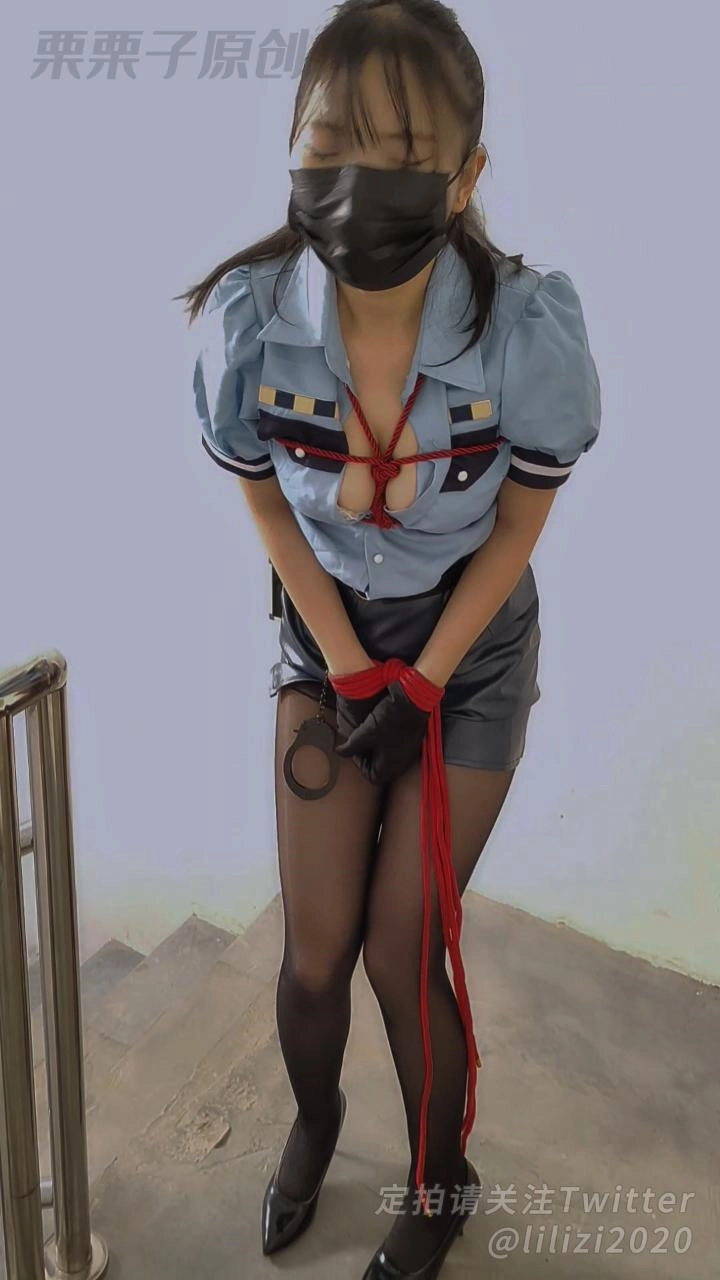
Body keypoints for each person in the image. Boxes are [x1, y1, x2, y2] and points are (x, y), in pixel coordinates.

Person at [178, 1, 601, 1275]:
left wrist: (420, 681)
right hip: (329, 646)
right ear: (292, 148)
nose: (363, 176)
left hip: (467, 661)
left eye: (406, 152)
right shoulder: (248, 319)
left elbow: (518, 526)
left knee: (400, 951)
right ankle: (316, 1122)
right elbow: (265, 498)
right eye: (332, 142)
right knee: (315, 957)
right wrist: (353, 664)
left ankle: (438, 1178)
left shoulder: (526, 330)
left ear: (468, 176)